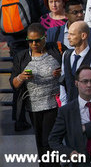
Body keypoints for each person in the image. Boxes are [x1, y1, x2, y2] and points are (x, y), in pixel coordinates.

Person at [10, 23, 62, 167]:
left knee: (48, 140)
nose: (34, 44)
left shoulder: (56, 50)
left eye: (37, 40)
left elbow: (69, 71)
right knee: (40, 141)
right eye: (30, 41)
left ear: (44, 38)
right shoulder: (22, 56)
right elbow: (14, 83)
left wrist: (61, 72)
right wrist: (21, 77)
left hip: (53, 104)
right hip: (32, 106)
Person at [59, 21, 91, 106]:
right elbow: (63, 81)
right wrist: (64, 105)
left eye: (72, 34)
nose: (68, 37)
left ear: (83, 36)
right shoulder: (66, 55)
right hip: (70, 108)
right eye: (68, 34)